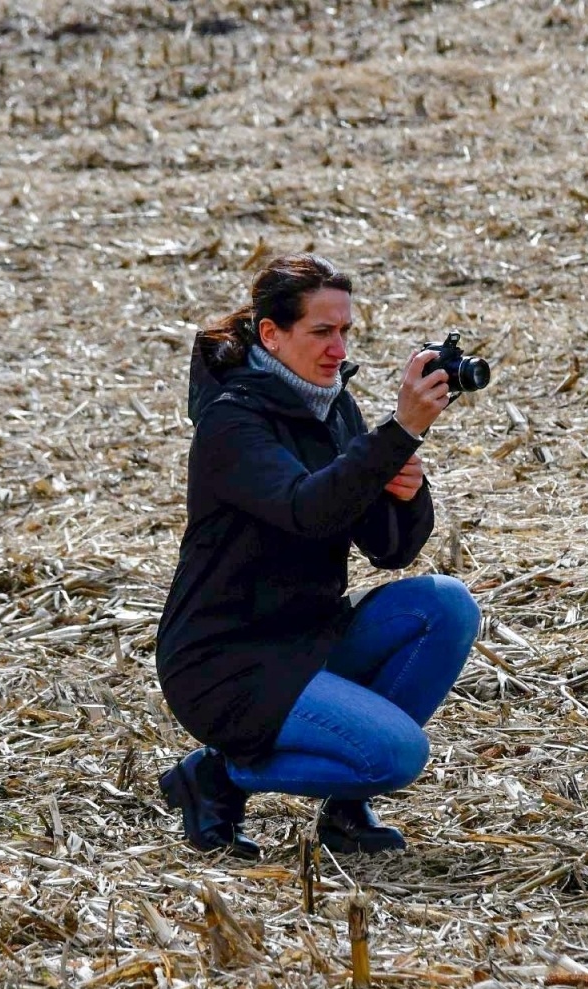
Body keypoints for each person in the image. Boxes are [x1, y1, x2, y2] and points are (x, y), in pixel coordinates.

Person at [154, 253, 480, 858]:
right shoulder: (231, 423)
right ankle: (215, 777)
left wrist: (406, 486)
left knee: (445, 606)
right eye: (322, 332)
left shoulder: (335, 410)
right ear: (271, 335)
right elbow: (307, 510)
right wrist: (397, 434)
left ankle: (346, 814)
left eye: (346, 331)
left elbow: (390, 550)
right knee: (396, 755)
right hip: (227, 660)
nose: (338, 348)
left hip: (308, 636)